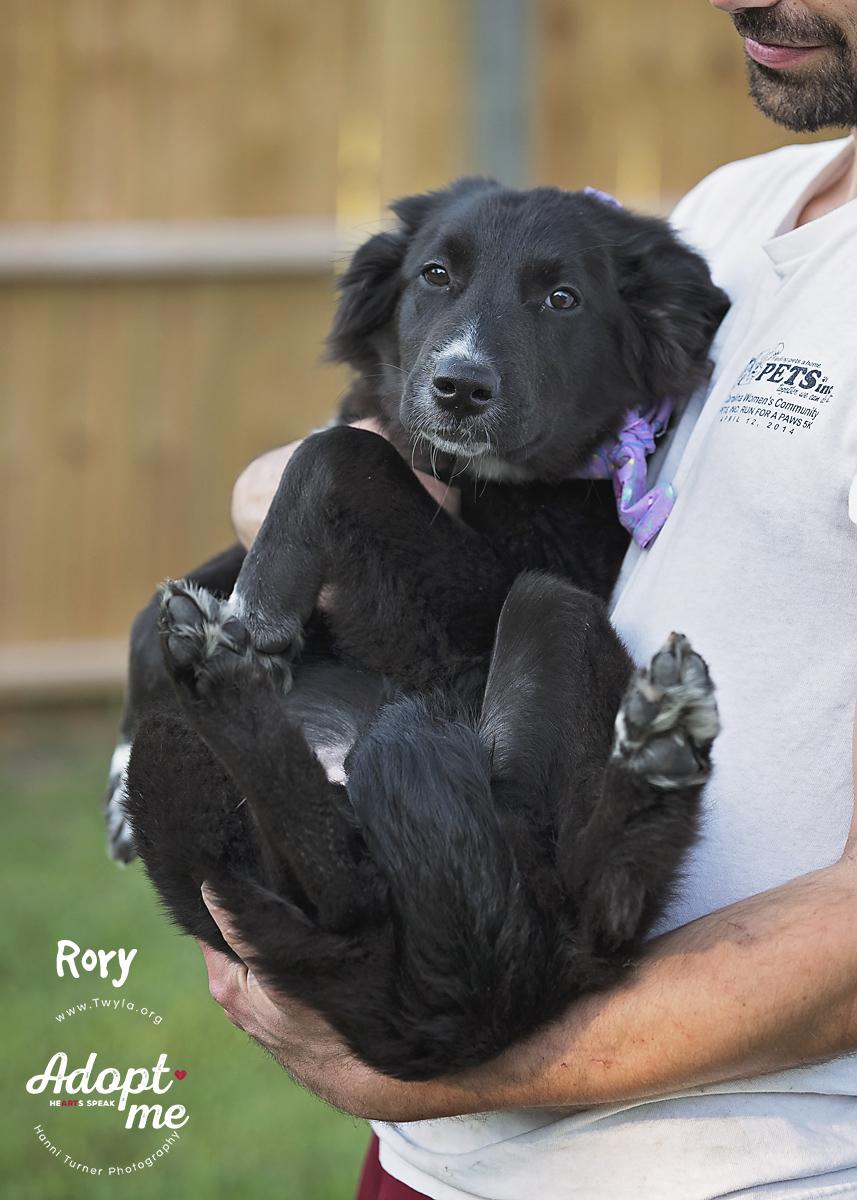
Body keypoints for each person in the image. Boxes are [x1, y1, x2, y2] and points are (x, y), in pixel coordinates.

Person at [198, 1, 857, 1195]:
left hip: (724, 1167)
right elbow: (428, 484)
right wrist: (293, 495)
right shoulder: (729, 216)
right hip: (445, 1153)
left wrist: (436, 1063)